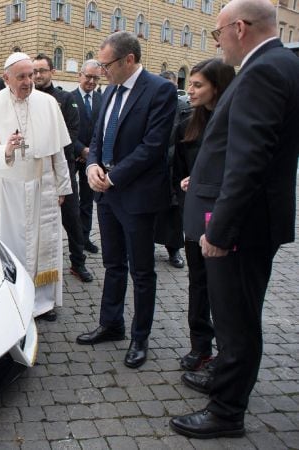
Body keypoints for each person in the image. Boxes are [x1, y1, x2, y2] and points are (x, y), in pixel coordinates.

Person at [170, 0, 299, 438]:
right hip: (255, 220)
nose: (217, 40)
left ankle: (226, 411)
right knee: (236, 316)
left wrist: (219, 230)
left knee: (236, 321)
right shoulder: (281, 64)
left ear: (239, 28)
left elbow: (248, 162)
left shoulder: (262, 71)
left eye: (217, 31)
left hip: (242, 226)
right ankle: (224, 382)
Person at [75, 32, 177, 369]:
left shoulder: (159, 90)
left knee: (142, 271)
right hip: (107, 195)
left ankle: (139, 337)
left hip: (137, 196)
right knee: (113, 264)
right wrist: (91, 166)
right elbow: (97, 136)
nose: (102, 71)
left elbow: (153, 146)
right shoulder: (109, 91)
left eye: (107, 65)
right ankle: (112, 324)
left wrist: (113, 175)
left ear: (128, 60)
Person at [0, 52, 72, 319]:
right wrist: (6, 151)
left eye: (31, 75)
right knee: (12, 247)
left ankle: (43, 302)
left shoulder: (47, 103)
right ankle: (13, 300)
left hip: (41, 187)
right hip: (7, 191)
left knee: (42, 246)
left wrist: (62, 187)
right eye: (21, 76)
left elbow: (57, 151)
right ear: (6, 78)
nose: (28, 81)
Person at [171, 59, 236, 373]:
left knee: (222, 289)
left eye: (198, 85)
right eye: (190, 84)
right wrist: (185, 183)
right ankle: (200, 346)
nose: (190, 90)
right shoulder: (187, 124)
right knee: (198, 284)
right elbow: (179, 170)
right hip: (195, 217)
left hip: (223, 218)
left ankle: (227, 353)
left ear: (217, 87)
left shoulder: (234, 124)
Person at [33, 53, 94, 296]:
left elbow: (71, 133)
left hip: (61, 169)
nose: (38, 75)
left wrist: (50, 150)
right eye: (34, 71)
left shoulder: (65, 99)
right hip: (36, 172)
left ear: (52, 72)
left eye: (42, 71)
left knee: (72, 218)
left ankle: (77, 263)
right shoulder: (29, 99)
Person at [153, 70, 189, 269]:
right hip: (154, 167)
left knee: (174, 214)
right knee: (151, 211)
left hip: (176, 167)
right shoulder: (153, 105)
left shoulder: (184, 108)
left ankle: (173, 250)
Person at [71, 60, 102, 255]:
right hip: (73, 157)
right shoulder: (69, 98)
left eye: (96, 78)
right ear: (80, 75)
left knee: (88, 202)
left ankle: (85, 237)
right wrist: (81, 150)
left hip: (92, 160)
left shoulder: (101, 99)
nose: (91, 81)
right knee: (70, 201)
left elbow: (102, 128)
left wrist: (92, 153)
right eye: (88, 76)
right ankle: (74, 238)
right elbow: (65, 130)